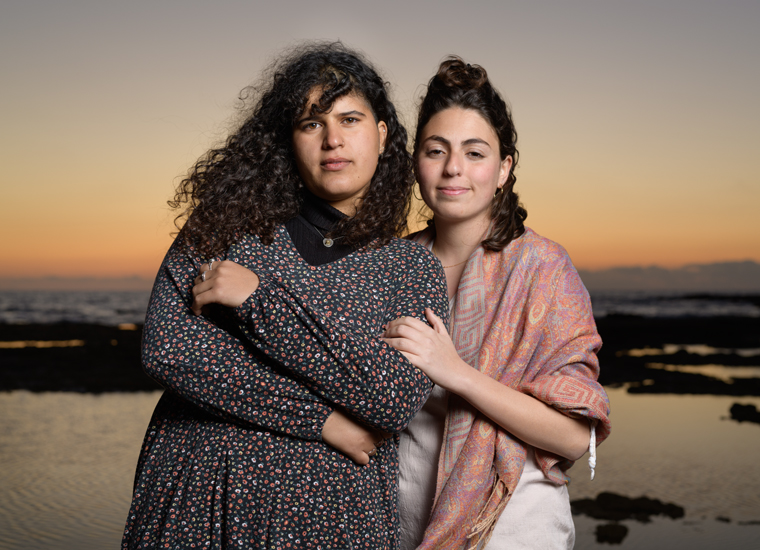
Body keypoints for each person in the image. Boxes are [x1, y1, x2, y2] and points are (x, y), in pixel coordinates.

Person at [122, 43, 448, 550]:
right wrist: (324, 421)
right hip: (199, 502)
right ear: (289, 140)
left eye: (350, 119)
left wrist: (259, 303)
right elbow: (169, 349)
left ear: (382, 134)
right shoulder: (226, 225)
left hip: (336, 522)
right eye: (311, 123)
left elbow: (390, 398)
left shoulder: (411, 269)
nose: (333, 140)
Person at [381, 57, 612, 549]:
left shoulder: (541, 269)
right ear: (416, 163)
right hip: (401, 524)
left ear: (504, 168)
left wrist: (456, 372)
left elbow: (575, 438)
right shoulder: (390, 267)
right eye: (435, 150)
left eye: (475, 152)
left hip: (512, 527)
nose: (453, 168)